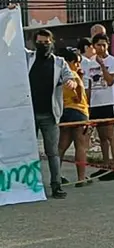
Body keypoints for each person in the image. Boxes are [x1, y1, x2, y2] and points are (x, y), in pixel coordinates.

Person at [26, 28, 76, 199]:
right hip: (28, 114)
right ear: (34, 43)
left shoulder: (59, 62)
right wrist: (10, 13)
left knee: (52, 152)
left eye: (46, 43)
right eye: (39, 42)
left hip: (50, 114)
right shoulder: (26, 58)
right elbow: (9, 43)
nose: (43, 45)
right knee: (27, 151)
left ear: (52, 42)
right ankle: (29, 185)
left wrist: (70, 82)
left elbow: (71, 78)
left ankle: (56, 185)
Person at [87, 33, 114, 181]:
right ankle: (105, 165)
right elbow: (88, 85)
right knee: (101, 136)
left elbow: (109, 81)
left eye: (104, 44)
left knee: (110, 134)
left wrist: (102, 66)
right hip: (95, 103)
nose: (101, 47)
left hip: (108, 102)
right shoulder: (89, 63)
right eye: (98, 45)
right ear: (93, 46)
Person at [57, 48, 91, 187]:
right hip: (78, 111)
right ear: (70, 62)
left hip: (65, 111)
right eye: (77, 62)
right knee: (80, 146)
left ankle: (56, 176)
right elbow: (78, 89)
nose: (79, 66)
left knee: (61, 146)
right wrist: (78, 95)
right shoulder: (72, 74)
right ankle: (81, 178)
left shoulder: (59, 75)